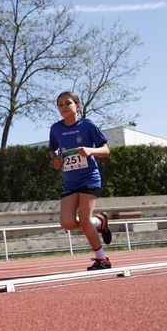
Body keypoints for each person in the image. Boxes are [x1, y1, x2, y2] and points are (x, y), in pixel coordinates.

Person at [48, 91, 113, 270]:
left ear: (77, 106)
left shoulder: (87, 125)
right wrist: (55, 159)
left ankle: (102, 259)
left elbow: (106, 150)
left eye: (67, 103)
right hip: (70, 181)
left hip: (89, 177)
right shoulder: (56, 128)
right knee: (67, 222)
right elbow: (52, 149)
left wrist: (91, 150)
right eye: (60, 105)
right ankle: (99, 222)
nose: (63, 107)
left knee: (84, 221)